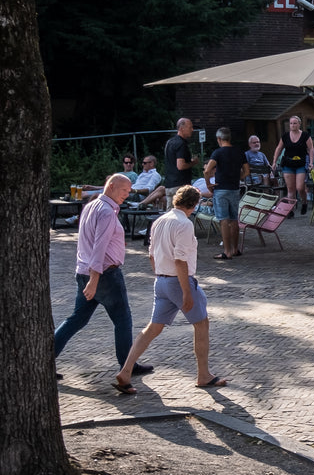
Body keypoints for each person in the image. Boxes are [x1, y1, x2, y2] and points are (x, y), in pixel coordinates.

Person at [114, 186, 227, 392]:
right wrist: (186, 292)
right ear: (194, 205)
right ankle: (203, 374)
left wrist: (160, 275)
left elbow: (151, 254)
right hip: (178, 281)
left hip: (161, 281)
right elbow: (180, 260)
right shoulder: (183, 224)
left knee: (152, 329)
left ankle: (126, 370)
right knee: (201, 324)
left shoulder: (159, 221)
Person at [53, 174, 153, 382]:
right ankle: (127, 365)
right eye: (125, 191)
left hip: (84, 271)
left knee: (75, 320)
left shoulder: (91, 206)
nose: (127, 195)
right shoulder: (107, 212)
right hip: (104, 275)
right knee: (123, 319)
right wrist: (94, 279)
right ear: (112, 186)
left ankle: (43, 361)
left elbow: (89, 241)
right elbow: (98, 249)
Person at [204, 127, 246, 260]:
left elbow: (207, 170)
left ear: (219, 139)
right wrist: (238, 178)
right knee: (234, 220)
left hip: (221, 189)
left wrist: (208, 185)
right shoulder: (239, 152)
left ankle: (227, 251)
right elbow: (247, 171)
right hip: (234, 189)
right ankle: (235, 249)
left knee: (223, 220)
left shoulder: (217, 153)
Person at [272, 115, 311, 216]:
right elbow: (279, 148)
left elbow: (311, 149)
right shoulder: (285, 136)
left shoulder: (305, 135)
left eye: (295, 123)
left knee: (300, 187)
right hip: (288, 164)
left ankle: (304, 202)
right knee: (290, 189)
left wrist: (311, 162)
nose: (293, 125)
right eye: (291, 123)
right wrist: (274, 162)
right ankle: (290, 210)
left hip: (301, 164)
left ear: (299, 124)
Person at [163, 117, 196, 202]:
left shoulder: (169, 142)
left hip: (169, 184)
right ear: (181, 128)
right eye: (190, 127)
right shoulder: (181, 144)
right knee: (182, 213)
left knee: (170, 213)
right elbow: (180, 166)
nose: (192, 130)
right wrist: (193, 162)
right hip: (180, 186)